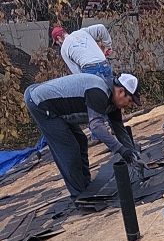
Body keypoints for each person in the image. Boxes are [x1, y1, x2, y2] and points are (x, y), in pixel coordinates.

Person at [23, 72, 142, 205]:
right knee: (69, 149)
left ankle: (86, 188)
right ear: (121, 91)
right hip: (40, 103)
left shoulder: (113, 100)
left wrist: (133, 153)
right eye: (130, 100)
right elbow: (96, 127)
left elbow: (119, 129)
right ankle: (80, 198)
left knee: (81, 141)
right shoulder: (98, 92)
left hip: (56, 107)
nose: (129, 105)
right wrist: (121, 150)